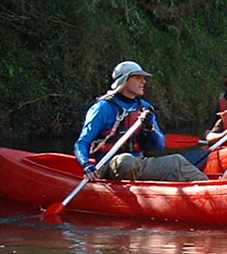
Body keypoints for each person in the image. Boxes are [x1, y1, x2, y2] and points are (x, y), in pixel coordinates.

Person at [74, 60, 208, 182]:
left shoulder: (145, 108)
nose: (143, 81)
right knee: (126, 161)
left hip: (139, 164)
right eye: (138, 77)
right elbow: (82, 143)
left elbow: (159, 146)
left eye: (143, 78)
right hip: (107, 167)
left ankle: (208, 185)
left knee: (176, 161)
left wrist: (150, 128)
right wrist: (87, 165)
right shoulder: (102, 108)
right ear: (124, 80)